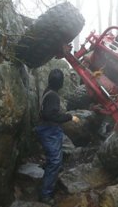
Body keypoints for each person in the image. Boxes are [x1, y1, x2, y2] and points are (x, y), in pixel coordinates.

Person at [35, 68, 80, 205]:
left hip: (47, 129)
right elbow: (50, 115)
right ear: (60, 83)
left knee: (55, 158)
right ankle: (45, 194)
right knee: (55, 161)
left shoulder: (48, 91)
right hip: (49, 130)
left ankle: (48, 181)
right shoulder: (53, 96)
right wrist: (70, 117)